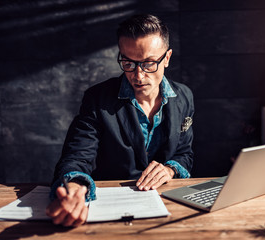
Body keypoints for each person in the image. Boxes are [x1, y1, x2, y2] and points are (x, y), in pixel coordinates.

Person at [46, 14, 194, 227]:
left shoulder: (184, 96)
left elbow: (184, 154)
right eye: (128, 63)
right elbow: (77, 155)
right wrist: (75, 188)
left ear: (167, 58)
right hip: (112, 209)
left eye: (149, 63)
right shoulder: (97, 98)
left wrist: (169, 169)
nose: (138, 76)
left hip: (170, 208)